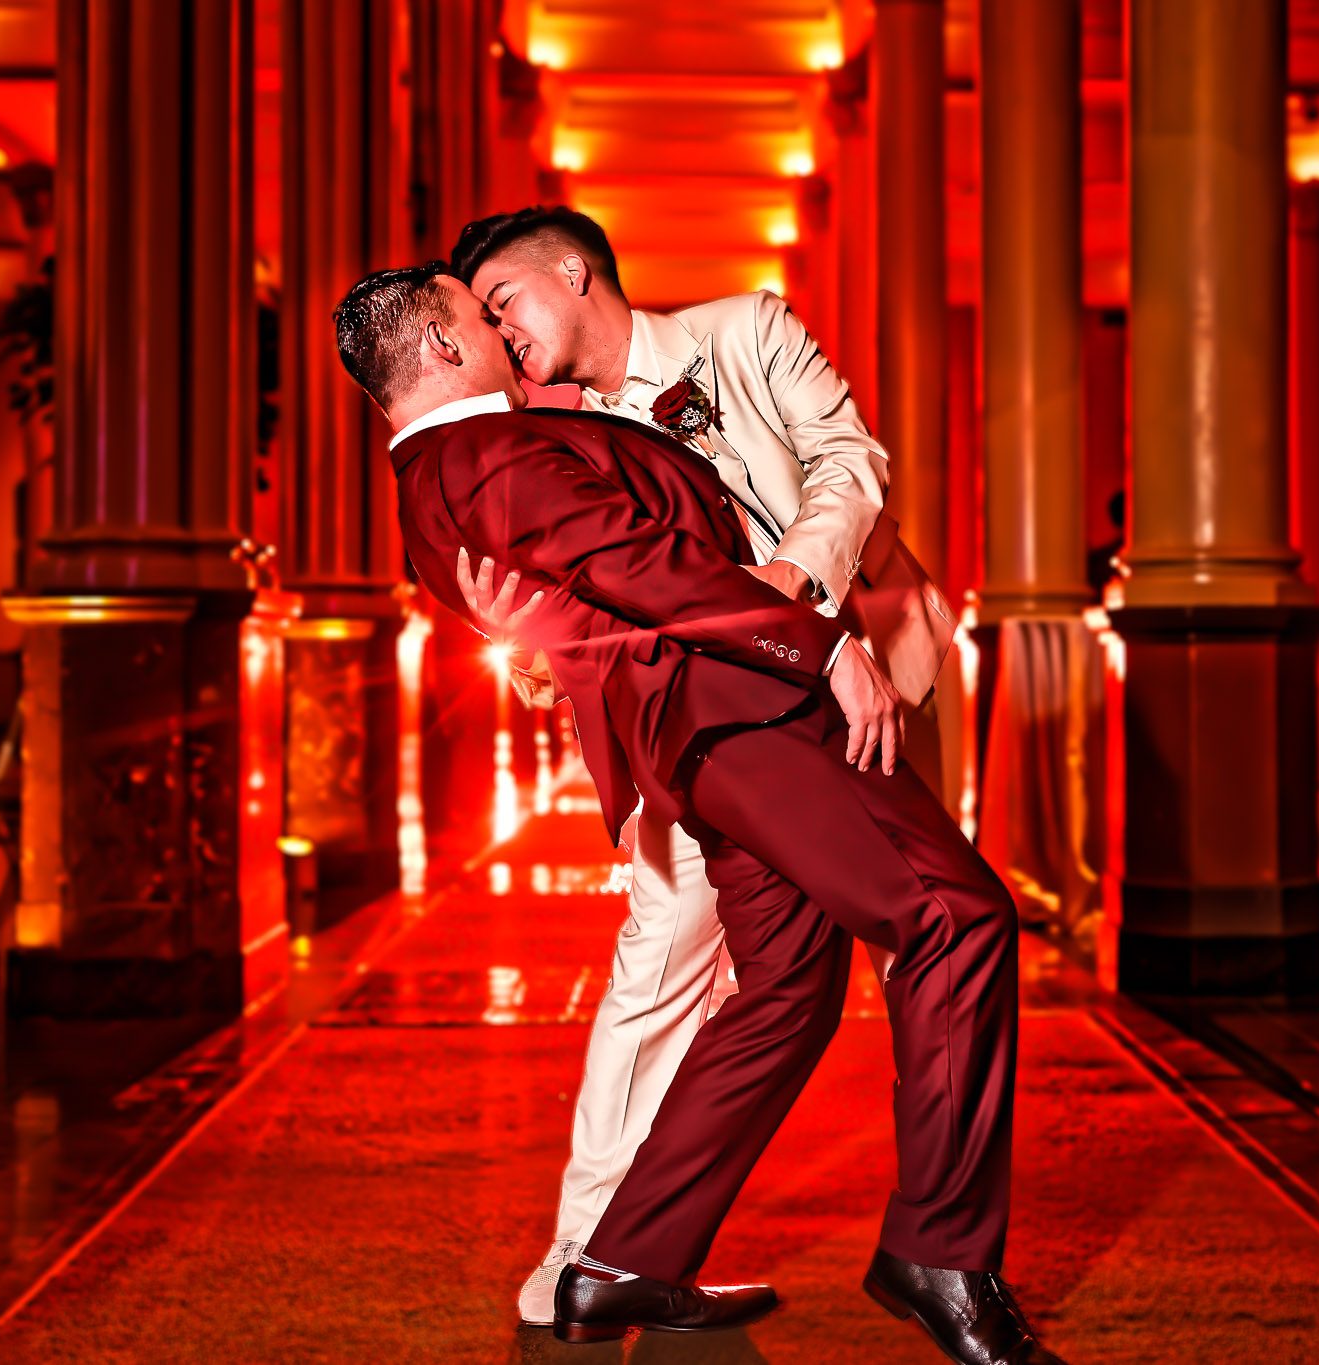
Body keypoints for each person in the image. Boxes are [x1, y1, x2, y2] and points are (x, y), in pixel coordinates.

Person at [335, 263, 1056, 1365]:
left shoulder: (446, 470)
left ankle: (626, 1262)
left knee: (788, 989)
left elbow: (589, 595)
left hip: (704, 734)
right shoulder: (481, 453)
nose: (500, 331)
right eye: (480, 315)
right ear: (439, 347)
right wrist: (819, 647)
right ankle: (940, 1253)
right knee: (954, 919)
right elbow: (645, 570)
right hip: (749, 711)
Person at [447, 206, 959, 1324]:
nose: (500, 335)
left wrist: (789, 592)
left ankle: (923, 1241)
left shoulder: (747, 330)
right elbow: (585, 605)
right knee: (664, 959)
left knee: (903, 951)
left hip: (858, 679)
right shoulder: (550, 442)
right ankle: (586, 1255)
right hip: (696, 728)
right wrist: (521, 639)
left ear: (573, 271)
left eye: (503, 303)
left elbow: (850, 463)